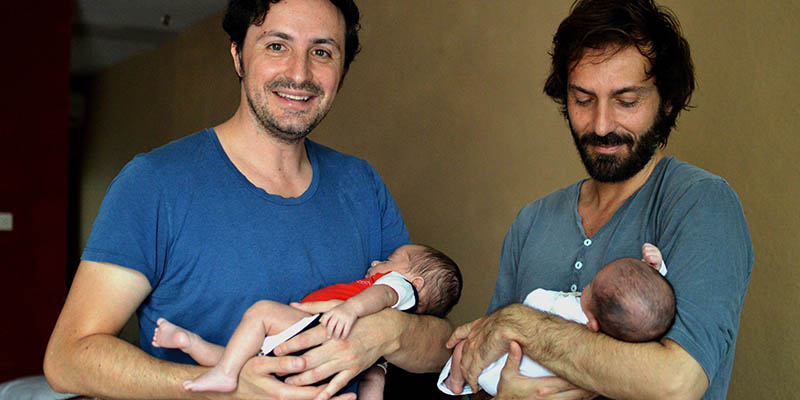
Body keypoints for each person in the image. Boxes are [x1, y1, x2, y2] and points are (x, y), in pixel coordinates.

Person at [43, 1, 454, 399]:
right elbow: (68, 359)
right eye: (277, 45)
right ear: (238, 56)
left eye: (323, 52)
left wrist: (386, 334)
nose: (300, 72)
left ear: (342, 71)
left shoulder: (362, 185)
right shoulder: (154, 183)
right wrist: (221, 391)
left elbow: (441, 347)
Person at [445, 0, 753, 399]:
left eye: (627, 101)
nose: (601, 125)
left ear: (669, 100)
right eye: (583, 100)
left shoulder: (702, 204)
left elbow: (676, 383)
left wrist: (523, 324)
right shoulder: (532, 221)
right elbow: (482, 366)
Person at [151, 243, 462, 398]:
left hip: (315, 330)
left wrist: (350, 309)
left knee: (260, 314)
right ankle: (195, 347)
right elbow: (373, 383)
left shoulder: (399, 289)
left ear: (416, 283)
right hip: (315, 362)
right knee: (250, 365)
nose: (376, 262)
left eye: (389, 260)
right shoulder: (379, 351)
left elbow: (380, 296)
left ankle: (221, 369)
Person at [438, 243, 673, 396]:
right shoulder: (623, 330)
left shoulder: (569, 314)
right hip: (530, 384)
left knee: (463, 347)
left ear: (592, 324)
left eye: (589, 288)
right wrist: (657, 270)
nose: (585, 288)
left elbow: (533, 303)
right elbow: (645, 303)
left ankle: (455, 383)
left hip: (501, 372)